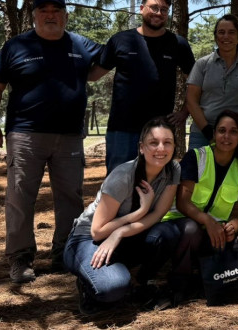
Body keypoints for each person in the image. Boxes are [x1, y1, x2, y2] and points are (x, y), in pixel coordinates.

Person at [0, 0, 102, 283]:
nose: (50, 16)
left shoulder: (81, 44)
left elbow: (107, 62)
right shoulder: (16, 46)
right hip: (25, 135)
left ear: (65, 15)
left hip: (70, 136)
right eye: (44, 11)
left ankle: (66, 254)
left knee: (71, 198)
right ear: (34, 15)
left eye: (56, 11)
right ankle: (20, 258)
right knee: (20, 197)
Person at [63, 117, 181, 315]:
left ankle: (139, 282)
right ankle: (90, 284)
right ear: (141, 147)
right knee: (112, 287)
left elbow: (158, 214)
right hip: (87, 239)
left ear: (174, 146)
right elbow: (97, 231)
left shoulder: (173, 170)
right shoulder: (123, 176)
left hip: (122, 236)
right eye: (153, 142)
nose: (161, 148)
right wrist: (140, 212)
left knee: (169, 233)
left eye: (167, 142)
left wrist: (119, 233)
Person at [160, 110, 238, 304]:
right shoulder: (196, 157)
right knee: (191, 229)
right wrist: (208, 221)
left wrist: (233, 226)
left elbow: (237, 211)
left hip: (214, 234)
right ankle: (178, 285)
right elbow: (183, 202)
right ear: (214, 134)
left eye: (233, 131)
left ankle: (210, 284)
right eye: (222, 131)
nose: (226, 136)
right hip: (182, 227)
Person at [90, 0, 195, 174]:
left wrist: (185, 111)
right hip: (122, 129)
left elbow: (195, 82)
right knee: (118, 181)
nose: (158, 13)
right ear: (141, 8)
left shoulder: (178, 44)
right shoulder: (120, 40)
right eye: (154, 7)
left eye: (164, 10)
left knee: (157, 182)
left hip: (159, 130)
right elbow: (94, 74)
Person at [186, 14, 238, 151]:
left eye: (231, 32)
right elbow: (191, 100)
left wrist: (237, 130)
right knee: (197, 166)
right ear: (216, 37)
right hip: (202, 134)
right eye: (221, 32)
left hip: (234, 135)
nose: (226, 36)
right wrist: (208, 132)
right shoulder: (202, 64)